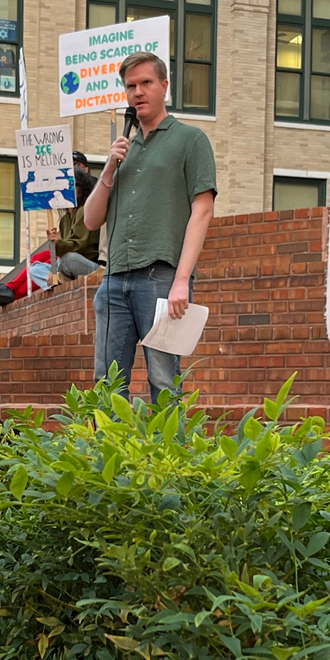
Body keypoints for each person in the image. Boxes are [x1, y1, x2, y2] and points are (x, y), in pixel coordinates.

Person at [81, 51, 217, 401]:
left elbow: (202, 211)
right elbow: (91, 220)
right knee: (107, 385)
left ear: (164, 86)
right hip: (113, 279)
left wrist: (182, 280)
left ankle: (169, 457)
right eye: (130, 86)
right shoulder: (124, 149)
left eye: (146, 83)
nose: (137, 92)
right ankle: (111, 455)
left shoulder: (190, 139)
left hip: (160, 278)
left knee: (163, 381)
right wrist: (109, 167)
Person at [48, 159, 101, 280]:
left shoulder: (84, 211)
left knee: (67, 259)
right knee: (36, 268)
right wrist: (54, 243)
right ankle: (61, 278)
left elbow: (78, 245)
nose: (68, 190)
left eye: (72, 186)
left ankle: (61, 278)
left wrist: (58, 243)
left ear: (81, 189)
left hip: (88, 264)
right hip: (69, 263)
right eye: (64, 187)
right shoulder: (64, 220)